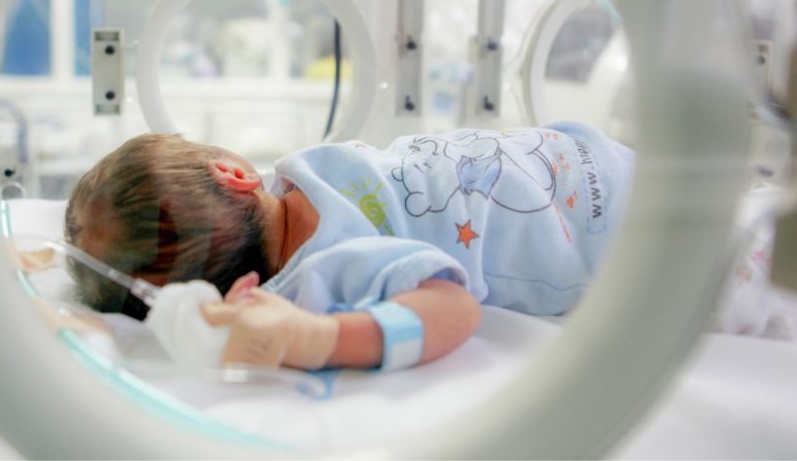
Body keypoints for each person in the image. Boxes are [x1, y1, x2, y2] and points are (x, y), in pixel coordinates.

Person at [64, 122, 633, 370]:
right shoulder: (329, 266)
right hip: (619, 234)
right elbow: (450, 308)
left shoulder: (304, 173)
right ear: (236, 174)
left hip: (586, 165)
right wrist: (319, 338)